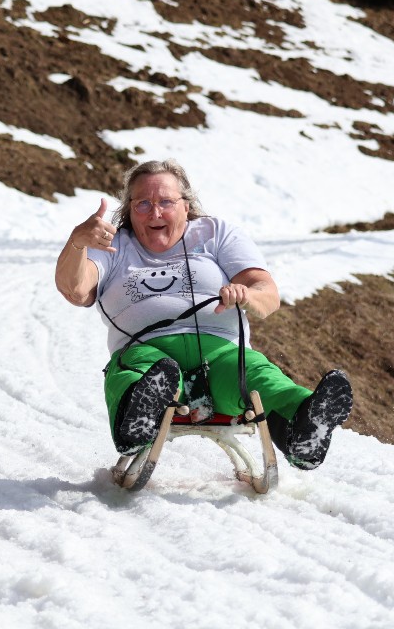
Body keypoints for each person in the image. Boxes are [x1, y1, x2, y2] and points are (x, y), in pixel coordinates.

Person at [54, 159, 352, 470]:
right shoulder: (111, 243)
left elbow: (268, 294)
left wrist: (247, 295)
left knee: (257, 375)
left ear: (186, 205)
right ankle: (138, 418)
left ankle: (303, 427)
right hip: (146, 350)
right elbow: (75, 290)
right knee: (144, 372)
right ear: (129, 209)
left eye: (165, 202)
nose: (155, 213)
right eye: (142, 203)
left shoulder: (216, 233)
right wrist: (77, 244)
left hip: (220, 353)